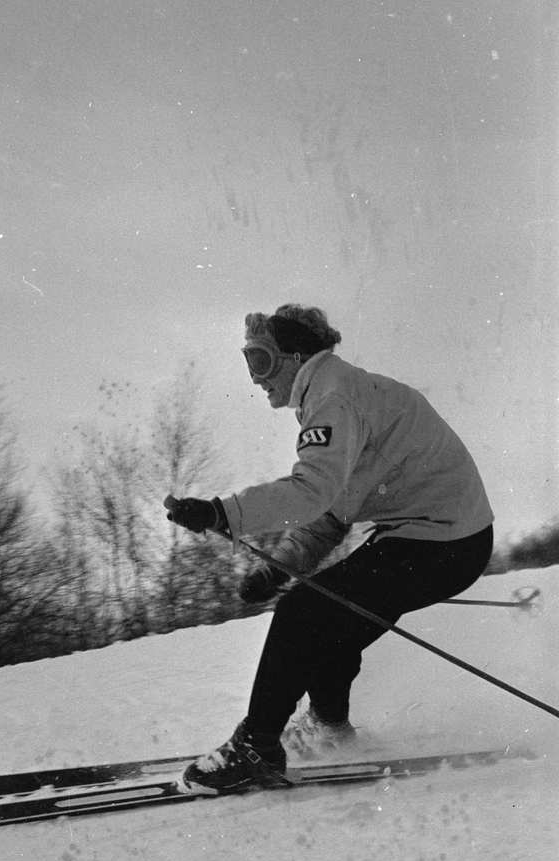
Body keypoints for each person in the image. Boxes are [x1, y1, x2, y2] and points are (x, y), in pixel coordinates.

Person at [163, 304, 494, 795]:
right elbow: (333, 512)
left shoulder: (333, 396)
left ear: (297, 355)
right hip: (444, 537)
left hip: (442, 538)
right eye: (248, 362)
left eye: (260, 361)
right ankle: (329, 726)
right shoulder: (340, 392)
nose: (255, 378)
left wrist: (223, 513)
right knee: (330, 615)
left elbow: (311, 491)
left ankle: (257, 746)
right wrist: (283, 568)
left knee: (307, 611)